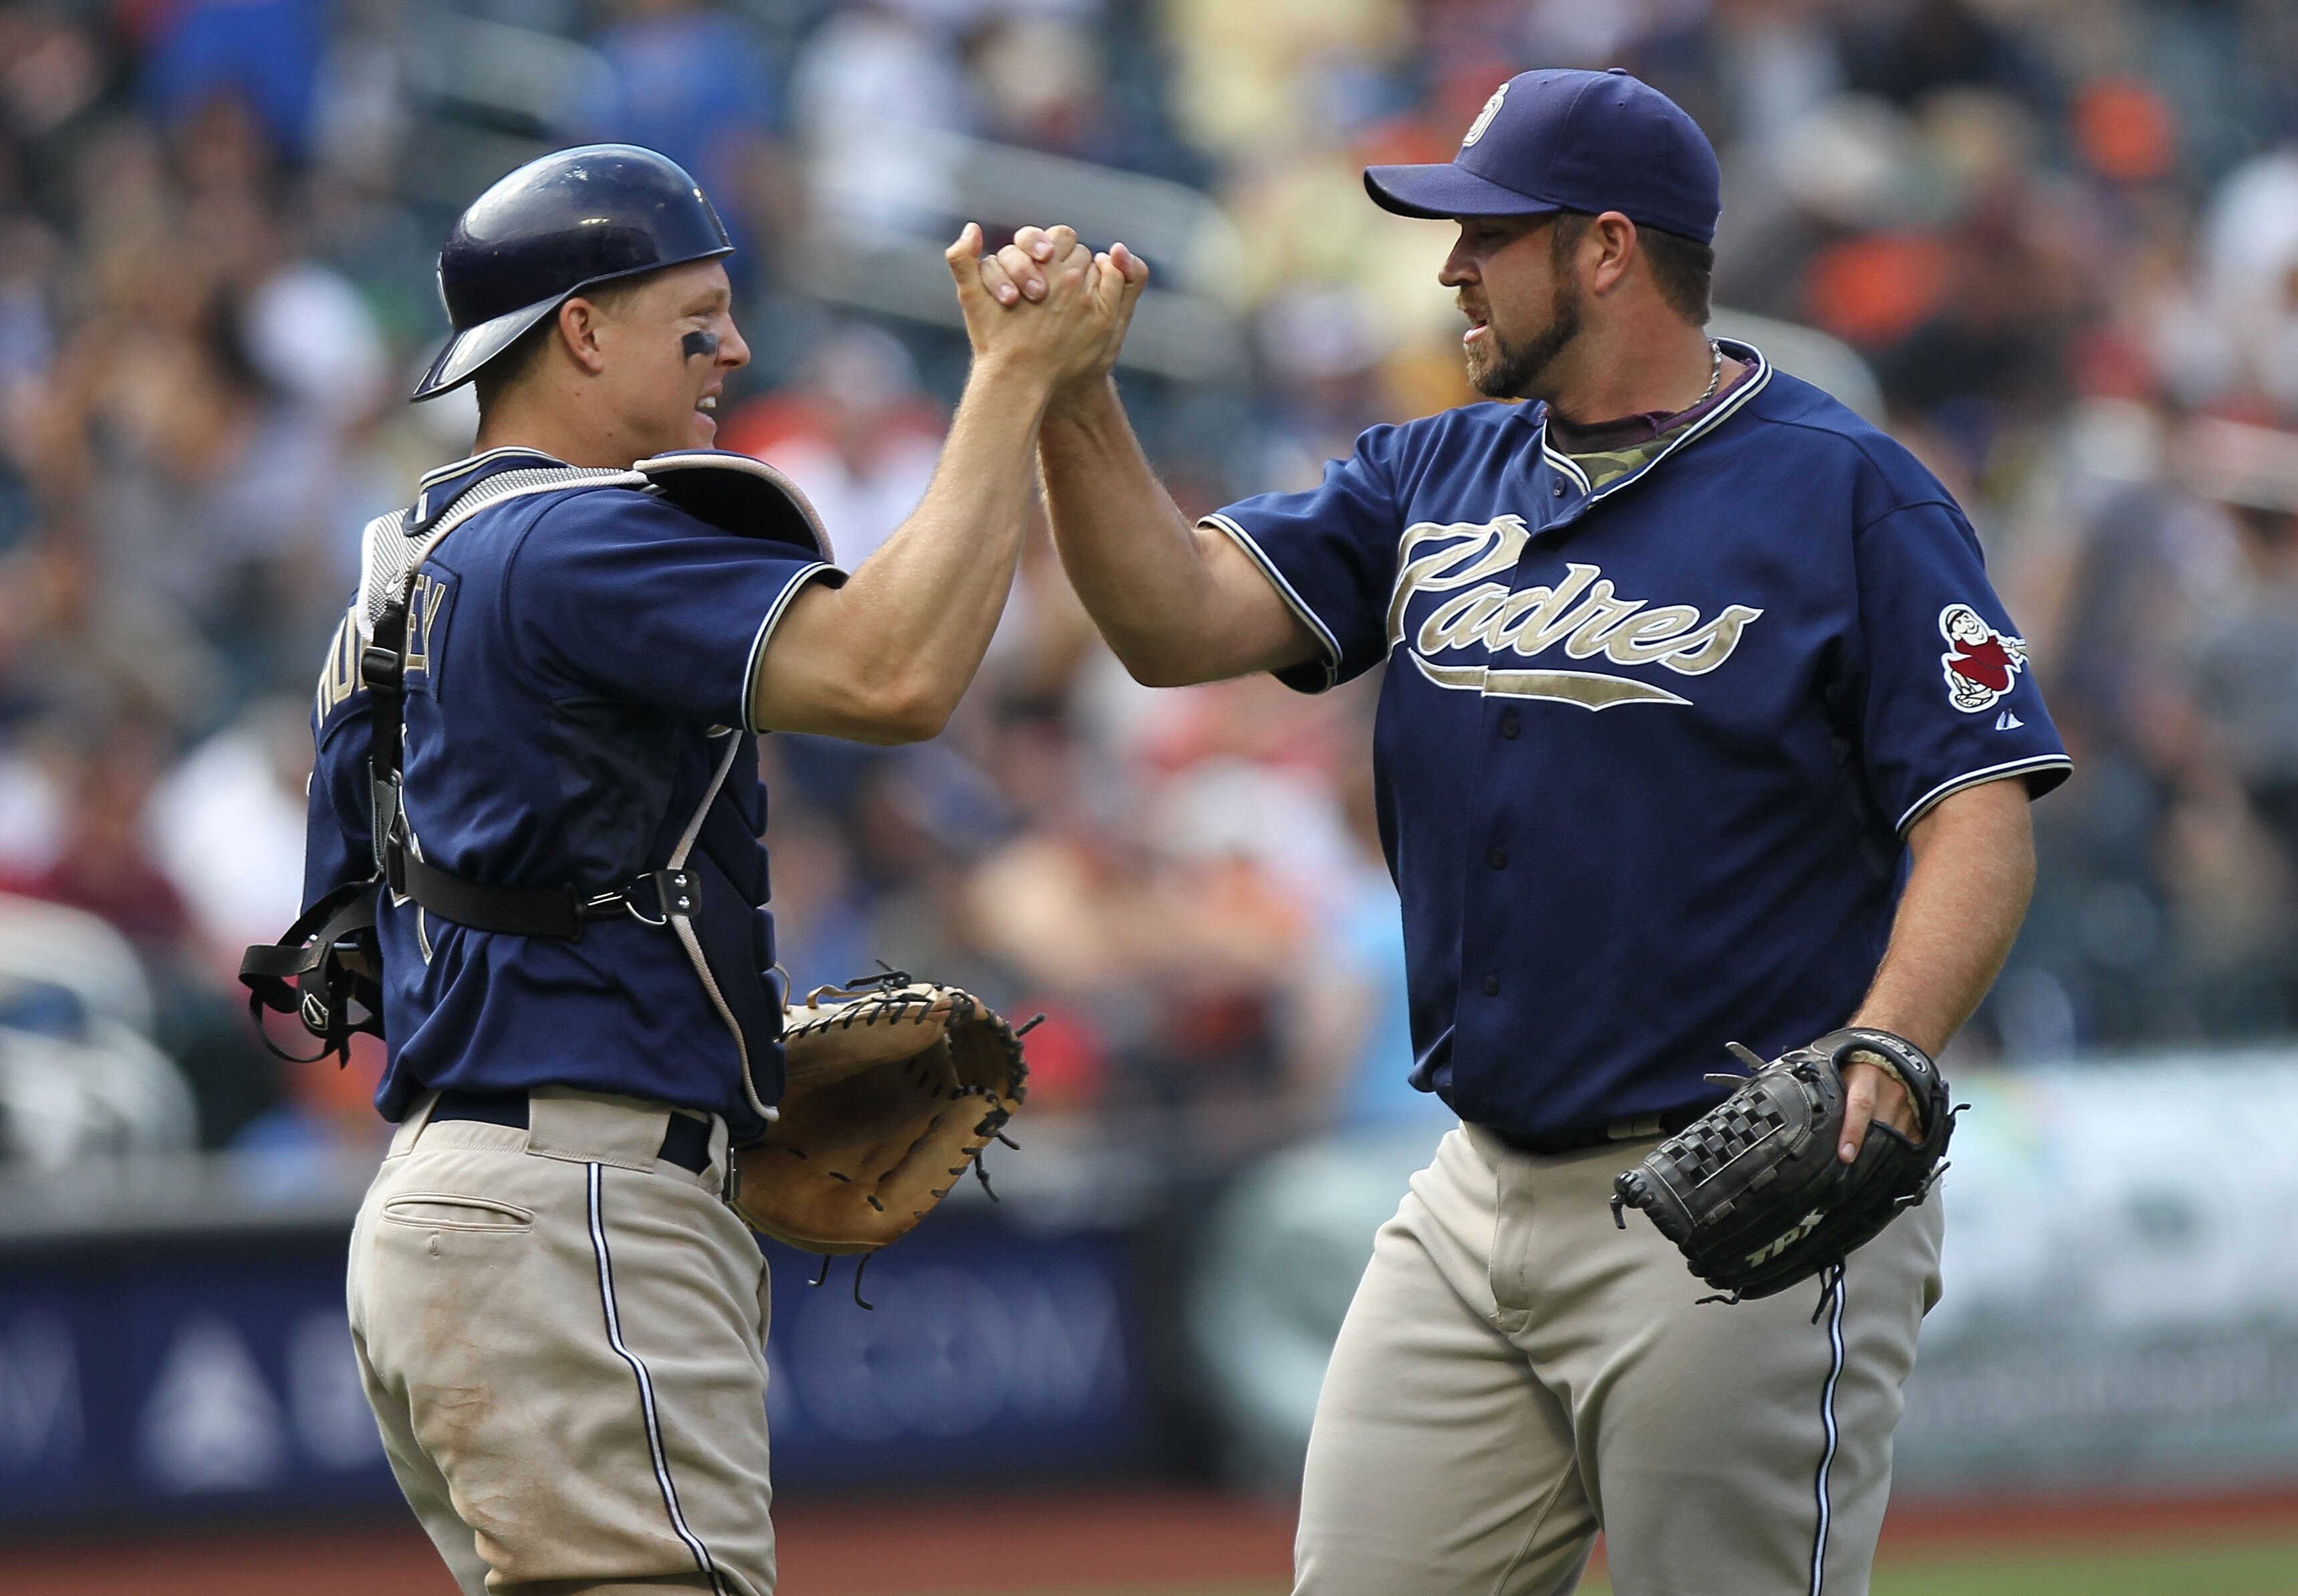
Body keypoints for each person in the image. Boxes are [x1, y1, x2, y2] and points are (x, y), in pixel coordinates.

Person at [983, 70, 2068, 1596]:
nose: (1448, 269)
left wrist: (1889, 1046)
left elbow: (1979, 806)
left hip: (1739, 1189)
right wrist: (1074, 397)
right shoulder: (1432, 472)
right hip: (1474, 1193)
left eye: (1486, 234)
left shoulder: (1849, 496)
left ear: (1608, 249)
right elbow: (1173, 623)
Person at [305, 144, 1132, 1596]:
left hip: (454, 1194)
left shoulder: (402, 568)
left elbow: (363, 945)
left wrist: (683, 1050)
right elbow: (895, 676)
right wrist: (1008, 378)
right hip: (577, 1206)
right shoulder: (574, 534)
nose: (735, 349)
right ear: (581, 329)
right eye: (698, 315)